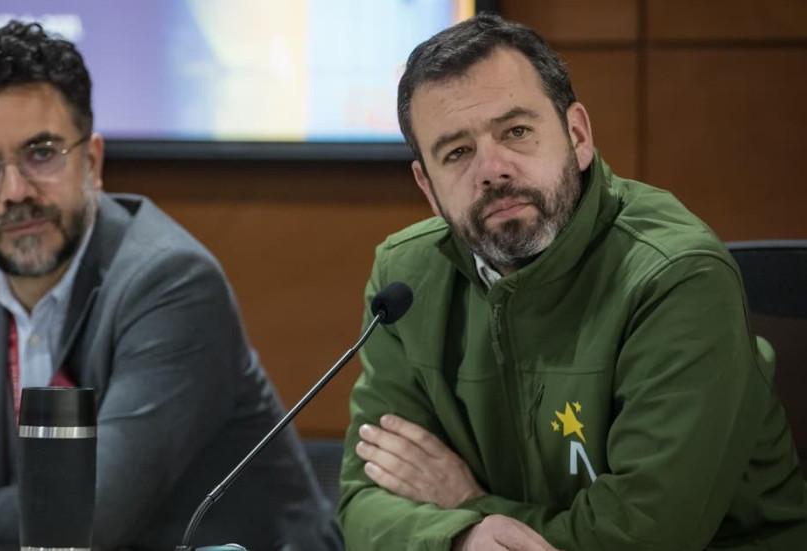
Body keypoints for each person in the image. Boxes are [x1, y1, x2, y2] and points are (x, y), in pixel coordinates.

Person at [0, 21, 340, 550]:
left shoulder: (171, 282)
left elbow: (86, 514)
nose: (15, 191)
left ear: (92, 161)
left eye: (41, 154)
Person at [338, 13, 807, 551]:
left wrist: (466, 506)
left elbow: (642, 535)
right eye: (457, 152)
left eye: (516, 132)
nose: (492, 169)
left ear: (577, 136)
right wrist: (463, 539)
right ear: (428, 186)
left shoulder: (676, 276)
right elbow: (365, 503)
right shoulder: (405, 280)